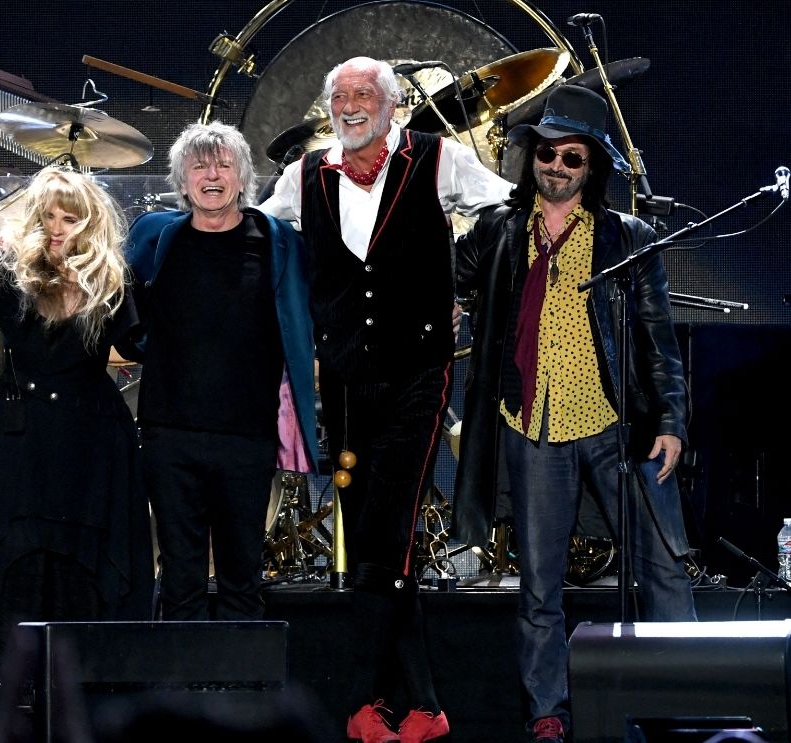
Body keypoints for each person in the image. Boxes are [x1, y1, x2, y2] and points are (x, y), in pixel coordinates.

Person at [259, 57, 512, 743]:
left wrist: (457, 284)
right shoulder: (304, 173)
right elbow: (256, 230)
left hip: (415, 375)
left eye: (363, 93)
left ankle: (361, 701)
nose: (348, 104)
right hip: (342, 378)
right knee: (379, 542)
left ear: (392, 104)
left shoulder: (438, 158)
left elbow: (504, 210)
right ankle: (422, 706)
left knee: (387, 531)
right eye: (337, 94)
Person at [453, 85, 696, 743]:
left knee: (664, 568)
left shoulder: (625, 236)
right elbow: (444, 277)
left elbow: (657, 339)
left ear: (591, 169)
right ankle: (547, 712)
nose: (555, 167)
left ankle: (690, 703)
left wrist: (671, 420)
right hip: (532, 429)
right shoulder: (500, 230)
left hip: (618, 427)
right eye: (547, 154)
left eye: (571, 158)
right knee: (538, 587)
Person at [0, 167, 153, 694]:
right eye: (49, 217)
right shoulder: (7, 267)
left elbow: (140, 345)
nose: (59, 228)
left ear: (89, 223)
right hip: (23, 438)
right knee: (19, 561)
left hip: (91, 440)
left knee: (84, 564)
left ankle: (88, 691)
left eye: (71, 218)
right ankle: (17, 696)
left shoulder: (111, 275)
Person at [125, 121, 320, 622]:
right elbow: (116, 302)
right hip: (170, 434)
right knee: (180, 577)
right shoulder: (154, 235)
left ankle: (241, 697)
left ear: (242, 177)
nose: (212, 174)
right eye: (199, 165)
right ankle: (180, 696)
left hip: (246, 436)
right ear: (182, 179)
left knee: (242, 576)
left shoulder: (277, 241)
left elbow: (316, 306)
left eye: (224, 164)